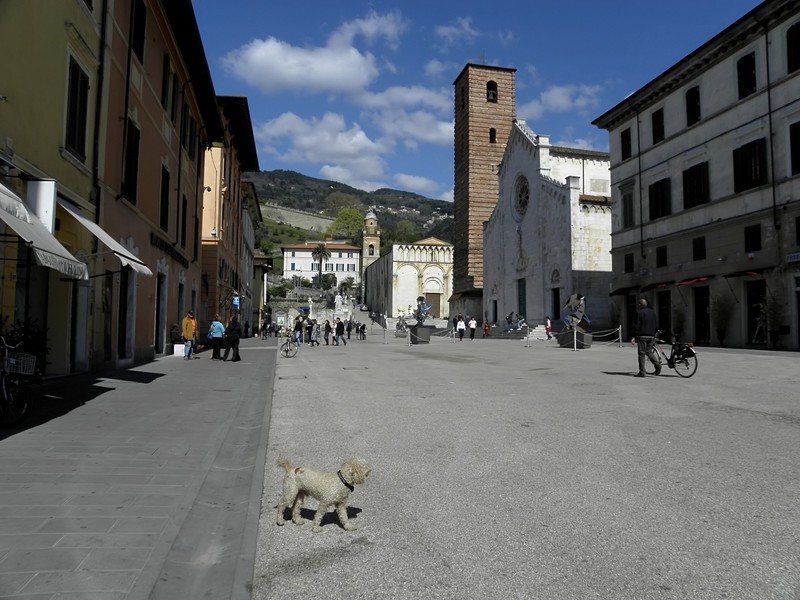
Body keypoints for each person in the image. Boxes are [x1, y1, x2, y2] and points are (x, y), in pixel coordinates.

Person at [631, 298, 660, 377]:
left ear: (640, 305)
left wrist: (634, 336)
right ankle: (657, 365)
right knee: (649, 352)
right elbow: (656, 325)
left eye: (639, 304)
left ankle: (642, 372)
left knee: (641, 354)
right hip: (651, 336)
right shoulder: (653, 313)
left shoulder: (639, 313)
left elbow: (637, 325)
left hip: (642, 335)